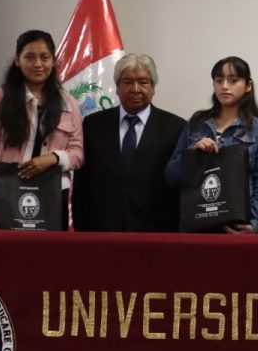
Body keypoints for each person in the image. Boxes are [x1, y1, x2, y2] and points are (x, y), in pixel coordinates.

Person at [0, 29, 84, 228]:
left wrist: (53, 158)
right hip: (8, 193)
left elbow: (78, 154)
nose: (38, 64)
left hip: (53, 194)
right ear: (17, 60)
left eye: (45, 57)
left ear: (54, 61)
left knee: (51, 249)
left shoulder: (68, 103)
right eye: (29, 57)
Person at [72, 54, 186, 232]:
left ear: (153, 88)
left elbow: (178, 188)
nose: (135, 89)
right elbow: (81, 186)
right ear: (117, 87)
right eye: (127, 82)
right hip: (102, 231)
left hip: (156, 233)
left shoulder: (176, 127)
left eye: (143, 82)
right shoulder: (93, 125)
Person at [165, 56, 258, 233]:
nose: (224, 86)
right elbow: (171, 177)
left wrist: (254, 224)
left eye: (233, 80)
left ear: (248, 85)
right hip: (197, 224)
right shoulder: (196, 124)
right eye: (219, 80)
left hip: (239, 224)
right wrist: (192, 153)